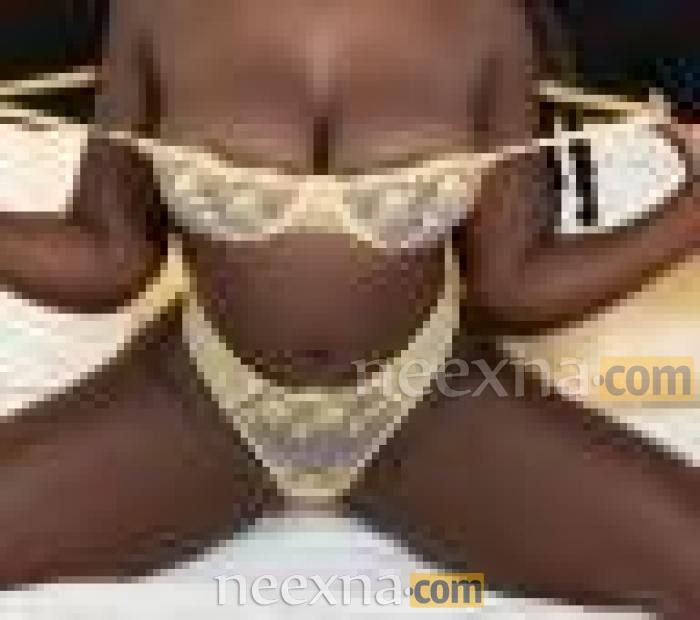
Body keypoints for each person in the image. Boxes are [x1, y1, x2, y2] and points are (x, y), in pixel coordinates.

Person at [0, 0, 698, 615]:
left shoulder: (485, 22)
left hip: (427, 407)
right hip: (200, 405)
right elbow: (110, 255)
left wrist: (688, 216)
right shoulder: (159, 13)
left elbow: (511, 285)